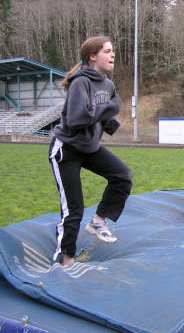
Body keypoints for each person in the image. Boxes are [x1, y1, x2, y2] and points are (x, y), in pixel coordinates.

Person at [48, 36, 132, 266]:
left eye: (113, 51)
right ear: (92, 56)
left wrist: (109, 122)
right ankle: (64, 258)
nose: (113, 55)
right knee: (74, 208)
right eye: (107, 51)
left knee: (122, 177)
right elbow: (76, 118)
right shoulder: (80, 82)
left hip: (90, 147)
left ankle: (98, 221)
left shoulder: (108, 84)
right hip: (66, 149)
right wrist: (108, 109)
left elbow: (102, 113)